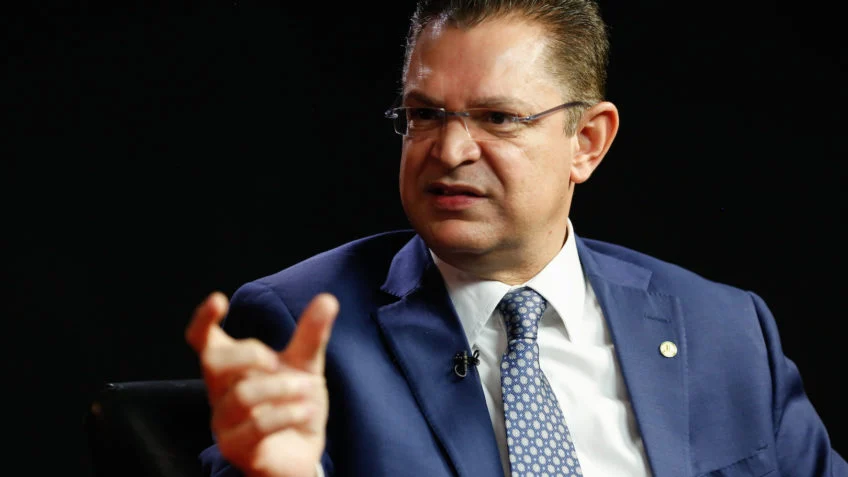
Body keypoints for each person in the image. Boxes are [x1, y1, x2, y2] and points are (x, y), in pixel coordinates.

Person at [185, 1, 847, 476]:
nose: (449, 150)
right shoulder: (299, 324)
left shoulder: (725, 329)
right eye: (424, 114)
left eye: (498, 117)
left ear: (587, 142)